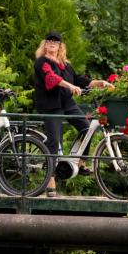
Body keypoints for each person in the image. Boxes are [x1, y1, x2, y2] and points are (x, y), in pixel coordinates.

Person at [33, 31, 111, 197]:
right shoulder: (41, 62)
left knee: (87, 128)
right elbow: (51, 78)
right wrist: (69, 86)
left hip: (67, 103)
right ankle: (50, 180)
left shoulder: (65, 64)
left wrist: (100, 83)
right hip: (51, 106)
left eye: (56, 41)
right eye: (49, 41)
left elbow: (80, 79)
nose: (52, 43)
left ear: (60, 45)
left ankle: (81, 164)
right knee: (54, 141)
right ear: (45, 44)